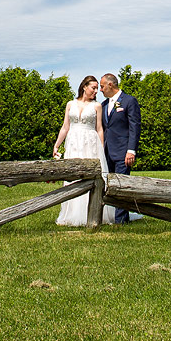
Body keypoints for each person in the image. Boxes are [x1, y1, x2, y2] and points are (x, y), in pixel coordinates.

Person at [53, 76, 115, 226]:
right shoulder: (70, 104)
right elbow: (65, 127)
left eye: (96, 88)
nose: (96, 91)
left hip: (90, 143)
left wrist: (101, 148)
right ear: (84, 87)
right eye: (93, 88)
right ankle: (72, 213)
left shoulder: (97, 106)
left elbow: (99, 129)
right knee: (73, 176)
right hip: (74, 143)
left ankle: (94, 212)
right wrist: (56, 145)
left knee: (92, 176)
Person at [99, 72, 141, 224]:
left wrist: (131, 150)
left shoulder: (129, 101)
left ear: (111, 85)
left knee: (121, 185)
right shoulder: (103, 105)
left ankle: (121, 221)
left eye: (102, 86)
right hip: (107, 152)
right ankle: (110, 217)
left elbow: (134, 127)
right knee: (109, 185)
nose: (100, 90)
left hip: (124, 152)